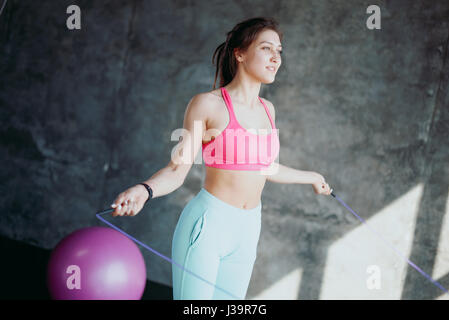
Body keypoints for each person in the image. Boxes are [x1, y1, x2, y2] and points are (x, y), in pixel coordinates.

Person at [110, 17, 332, 300]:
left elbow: (264, 167)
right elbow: (177, 170)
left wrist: (312, 177)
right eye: (266, 48)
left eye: (279, 51)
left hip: (249, 227)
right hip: (209, 225)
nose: (276, 57)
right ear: (239, 53)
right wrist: (144, 190)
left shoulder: (268, 110)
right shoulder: (208, 104)